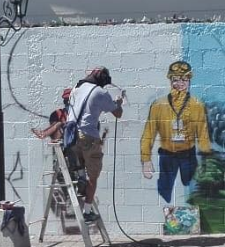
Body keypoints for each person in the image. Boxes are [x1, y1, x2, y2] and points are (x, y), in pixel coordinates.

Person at [140, 61, 212, 203]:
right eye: (176, 79)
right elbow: (149, 133)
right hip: (167, 156)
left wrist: (206, 160)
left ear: (189, 81)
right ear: (170, 80)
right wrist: (146, 160)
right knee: (165, 192)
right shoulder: (158, 105)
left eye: (184, 79)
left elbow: (203, 135)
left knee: (191, 191)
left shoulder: (197, 105)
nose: (180, 83)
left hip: (188, 156)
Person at [67, 67, 123, 222]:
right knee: (93, 176)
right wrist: (118, 103)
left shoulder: (76, 88)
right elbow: (118, 113)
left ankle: (80, 178)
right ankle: (87, 212)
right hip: (88, 136)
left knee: (80, 169)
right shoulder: (100, 92)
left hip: (71, 135)